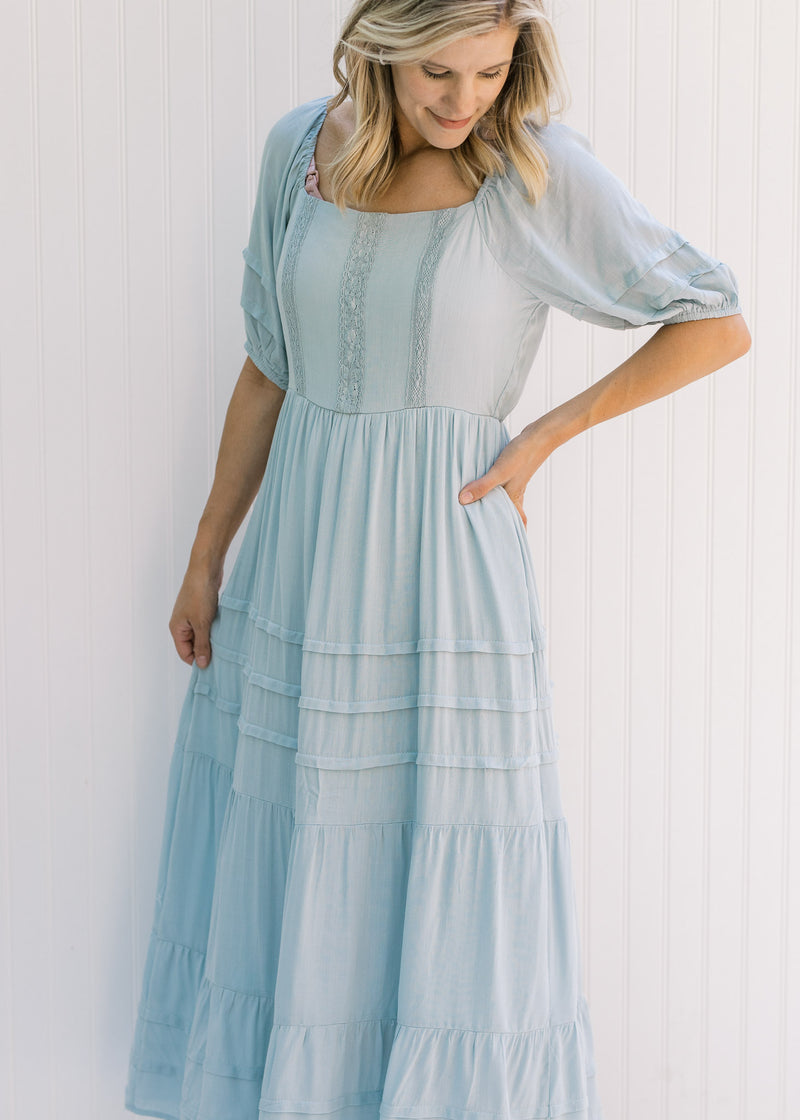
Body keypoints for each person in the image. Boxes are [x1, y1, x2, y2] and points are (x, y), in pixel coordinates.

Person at [124, 2, 750, 1119]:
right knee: (297, 831)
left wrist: (545, 435)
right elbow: (266, 367)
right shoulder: (298, 152)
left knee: (442, 854)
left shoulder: (533, 173)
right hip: (301, 561)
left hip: (444, 569)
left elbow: (713, 319)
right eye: (435, 76)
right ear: (378, 51)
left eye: (488, 70)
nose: (462, 102)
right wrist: (203, 556)